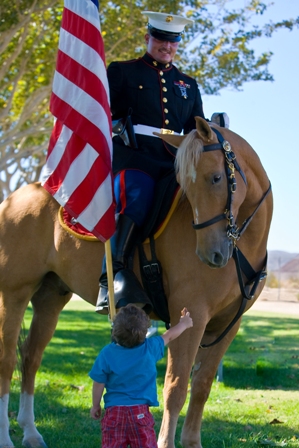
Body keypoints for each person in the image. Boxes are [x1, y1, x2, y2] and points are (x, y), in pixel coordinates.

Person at [96, 11, 206, 314]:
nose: (166, 45)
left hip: (173, 161)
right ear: (148, 38)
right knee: (138, 195)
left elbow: (196, 128)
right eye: (160, 38)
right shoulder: (123, 72)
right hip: (134, 155)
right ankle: (113, 276)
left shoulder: (187, 84)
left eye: (173, 41)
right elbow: (100, 112)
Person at [89, 304, 193, 448]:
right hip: (140, 414)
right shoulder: (149, 348)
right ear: (144, 332)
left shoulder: (107, 353)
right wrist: (184, 324)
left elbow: (98, 382)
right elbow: (169, 335)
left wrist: (95, 405)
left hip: (114, 413)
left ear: (115, 331)